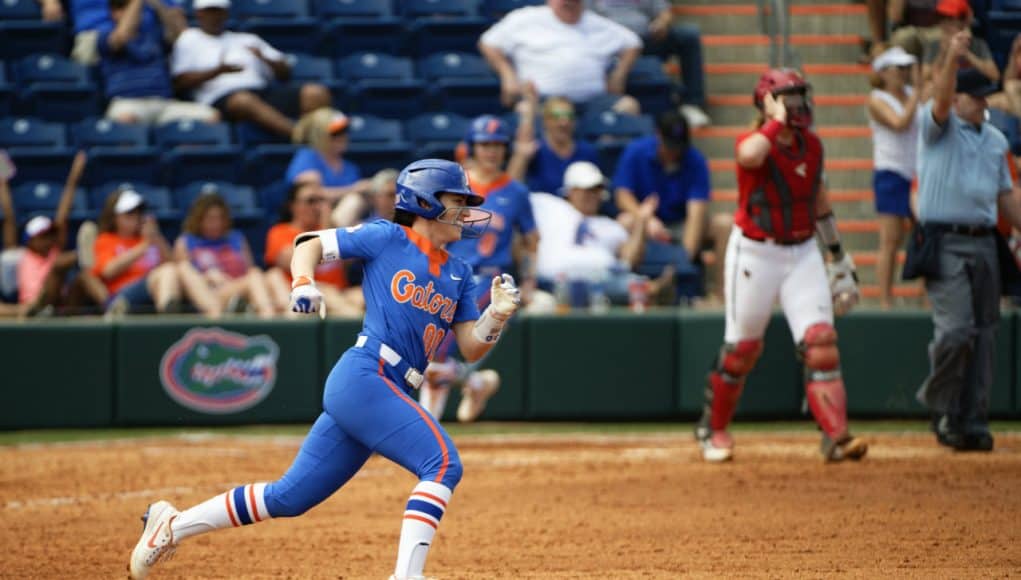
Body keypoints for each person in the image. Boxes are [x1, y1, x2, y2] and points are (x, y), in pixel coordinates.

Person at [127, 158, 522, 580]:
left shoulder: (460, 273)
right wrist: (303, 282)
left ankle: (171, 525)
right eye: (456, 200)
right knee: (443, 464)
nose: (465, 211)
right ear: (425, 202)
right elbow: (308, 243)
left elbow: (470, 348)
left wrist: (495, 317)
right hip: (366, 375)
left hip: (387, 389)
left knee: (288, 498)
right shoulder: (387, 236)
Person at [694, 68, 868, 463]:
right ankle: (713, 427)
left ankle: (836, 437)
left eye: (799, 96)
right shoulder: (755, 140)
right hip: (755, 252)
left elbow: (818, 201)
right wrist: (774, 122)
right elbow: (749, 155)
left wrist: (838, 254)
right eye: (787, 97)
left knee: (821, 343)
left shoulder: (813, 146)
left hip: (802, 250)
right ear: (768, 102)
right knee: (742, 349)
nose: (797, 104)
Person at [913, 31, 1021, 452]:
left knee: (985, 333)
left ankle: (971, 419)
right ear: (958, 99)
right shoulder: (938, 126)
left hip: (984, 240)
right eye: (973, 97)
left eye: (984, 97)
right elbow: (938, 102)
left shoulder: (995, 140)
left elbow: (1005, 198)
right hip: (944, 239)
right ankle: (941, 407)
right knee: (956, 331)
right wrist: (951, 60)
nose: (982, 102)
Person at [419, 115, 539, 423]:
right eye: (485, 144)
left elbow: (531, 241)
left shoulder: (515, 192)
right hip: (448, 274)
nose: (491, 151)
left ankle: (424, 426)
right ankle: (476, 383)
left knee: (436, 350)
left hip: (489, 279)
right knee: (429, 350)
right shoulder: (453, 186)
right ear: (472, 147)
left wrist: (528, 281)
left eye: (498, 145)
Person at [169, 0, 332, 139]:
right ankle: (300, 136)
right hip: (219, 99)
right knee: (243, 100)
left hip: (261, 91)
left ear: (226, 13)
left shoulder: (247, 39)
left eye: (219, 11)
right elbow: (180, 82)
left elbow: (285, 73)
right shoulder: (189, 39)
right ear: (199, 14)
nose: (215, 16)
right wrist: (218, 71)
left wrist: (264, 58)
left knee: (316, 93)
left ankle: (323, 136)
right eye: (210, 11)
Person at [612, 109, 727, 299]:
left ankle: (722, 298)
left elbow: (696, 212)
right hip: (647, 221)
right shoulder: (637, 151)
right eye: (670, 146)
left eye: (679, 147)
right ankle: (625, 290)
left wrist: (684, 261)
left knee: (724, 224)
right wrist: (645, 219)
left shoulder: (695, 160)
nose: (674, 152)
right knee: (624, 221)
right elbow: (622, 195)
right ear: (658, 135)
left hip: (682, 223)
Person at [478, 0, 642, 115]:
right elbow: (488, 42)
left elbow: (633, 42)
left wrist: (619, 74)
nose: (569, 3)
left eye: (574, 1)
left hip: (592, 103)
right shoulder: (525, 18)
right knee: (524, 110)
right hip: (542, 102)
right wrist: (507, 74)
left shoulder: (597, 24)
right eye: (565, 1)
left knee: (629, 106)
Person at [531, 160, 657, 304]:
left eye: (596, 190)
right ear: (570, 190)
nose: (591, 195)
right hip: (554, 279)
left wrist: (641, 222)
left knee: (630, 281)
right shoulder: (550, 207)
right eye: (586, 189)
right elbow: (511, 195)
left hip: (600, 282)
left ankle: (652, 289)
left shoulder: (609, 225)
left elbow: (629, 261)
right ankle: (652, 289)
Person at [0, 151, 106, 316]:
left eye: (50, 234)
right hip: (34, 307)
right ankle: (80, 255)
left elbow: (62, 217)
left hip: (61, 308)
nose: (48, 239)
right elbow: (9, 216)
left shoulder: (54, 251)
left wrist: (74, 176)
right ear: (30, 241)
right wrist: (2, 182)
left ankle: (113, 306)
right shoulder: (20, 255)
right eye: (43, 236)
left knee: (82, 278)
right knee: (58, 266)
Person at [587, 0, 711, 127]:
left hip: (646, 38)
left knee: (688, 36)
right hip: (609, 42)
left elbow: (664, 11)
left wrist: (662, 23)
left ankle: (691, 103)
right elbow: (586, 18)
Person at [98, 0, 219, 125]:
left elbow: (182, 37)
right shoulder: (104, 35)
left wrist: (157, 5)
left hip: (164, 103)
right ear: (112, 12)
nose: (132, 11)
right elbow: (123, 35)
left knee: (211, 117)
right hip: (128, 102)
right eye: (123, 7)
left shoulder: (154, 34)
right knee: (124, 120)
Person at [867, 46, 921, 309]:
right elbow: (900, 123)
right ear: (884, 73)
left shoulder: (912, 94)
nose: (903, 73)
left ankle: (925, 296)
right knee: (891, 239)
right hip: (890, 171)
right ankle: (885, 299)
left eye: (906, 68)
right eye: (898, 68)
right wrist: (919, 94)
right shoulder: (876, 99)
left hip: (915, 172)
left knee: (923, 235)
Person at [264, 179, 364, 317]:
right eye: (311, 201)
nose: (317, 207)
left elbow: (348, 260)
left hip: (340, 292)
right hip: (304, 297)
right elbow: (295, 261)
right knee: (331, 297)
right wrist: (325, 225)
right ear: (293, 205)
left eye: (320, 201)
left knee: (367, 297)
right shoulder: (280, 232)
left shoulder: (333, 228)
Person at [174, 193, 279, 319]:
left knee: (261, 274)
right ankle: (268, 318)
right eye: (211, 219)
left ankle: (278, 317)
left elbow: (249, 269)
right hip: (211, 295)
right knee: (254, 278)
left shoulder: (237, 238)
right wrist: (208, 277)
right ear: (199, 219)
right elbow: (183, 279)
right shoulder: (185, 242)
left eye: (220, 218)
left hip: (238, 286)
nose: (216, 223)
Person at [92, 187, 184, 314]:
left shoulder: (150, 238)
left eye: (138, 212)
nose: (135, 217)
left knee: (169, 271)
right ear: (114, 217)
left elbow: (174, 265)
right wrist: (143, 246)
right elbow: (108, 271)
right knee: (166, 271)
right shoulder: (106, 239)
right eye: (129, 213)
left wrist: (157, 238)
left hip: (154, 290)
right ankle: (169, 319)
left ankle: (168, 316)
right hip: (122, 295)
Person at [508, 86, 601, 196]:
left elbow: (597, 190)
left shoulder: (587, 151)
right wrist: (521, 157)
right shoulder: (536, 151)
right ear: (545, 121)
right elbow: (510, 189)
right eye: (556, 116)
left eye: (569, 116)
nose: (563, 122)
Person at [286, 108, 372, 206]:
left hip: (347, 219)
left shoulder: (350, 168)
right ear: (320, 135)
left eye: (344, 131)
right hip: (313, 217)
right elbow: (312, 196)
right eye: (336, 133)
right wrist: (353, 189)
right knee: (354, 200)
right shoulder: (307, 157)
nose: (342, 137)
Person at [69, 0, 186, 66]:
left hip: (147, 37)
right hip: (94, 34)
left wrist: (157, 4)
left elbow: (180, 29)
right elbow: (121, 36)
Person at [920, 0, 998, 92]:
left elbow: (995, 76)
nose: (945, 23)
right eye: (942, 18)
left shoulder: (977, 44)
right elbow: (925, 78)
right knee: (929, 88)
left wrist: (967, 54)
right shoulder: (934, 45)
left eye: (950, 18)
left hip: (971, 92)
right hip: (944, 92)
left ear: (963, 21)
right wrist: (942, 53)